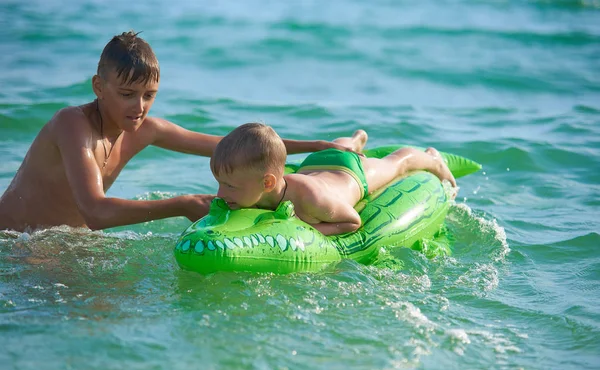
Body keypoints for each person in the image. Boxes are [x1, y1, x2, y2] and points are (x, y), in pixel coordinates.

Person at [0, 31, 358, 232]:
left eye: (149, 95)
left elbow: (231, 146)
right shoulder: (70, 124)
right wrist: (183, 204)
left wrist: (319, 144)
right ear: (98, 86)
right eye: (126, 94)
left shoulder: (145, 129)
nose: (139, 107)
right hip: (14, 243)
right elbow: (96, 211)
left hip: (65, 242)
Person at [210, 123, 457, 236]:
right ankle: (354, 140)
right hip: (313, 165)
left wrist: (310, 230)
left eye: (229, 186)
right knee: (338, 148)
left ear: (267, 183)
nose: (220, 194)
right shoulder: (254, 190)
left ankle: (432, 159)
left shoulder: (312, 199)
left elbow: (352, 221)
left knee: (394, 164)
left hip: (348, 173)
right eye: (220, 183)